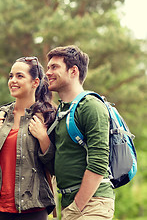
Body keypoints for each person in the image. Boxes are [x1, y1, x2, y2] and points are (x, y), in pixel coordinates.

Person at [0, 56, 56, 220]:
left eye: (20, 76)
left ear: (35, 82)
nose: (12, 80)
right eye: (11, 76)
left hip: (32, 209)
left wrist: (44, 139)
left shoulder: (47, 118)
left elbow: (54, 168)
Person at [44, 45, 115, 219]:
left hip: (92, 204)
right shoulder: (61, 111)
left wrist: (77, 206)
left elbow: (99, 162)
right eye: (48, 68)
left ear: (73, 71)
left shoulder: (91, 105)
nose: (48, 73)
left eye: (54, 67)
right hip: (70, 204)